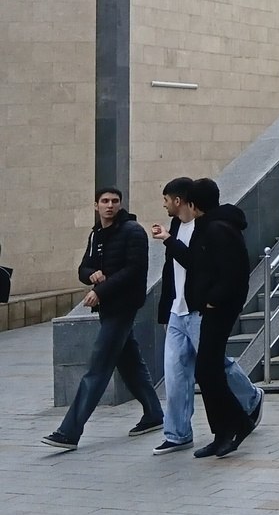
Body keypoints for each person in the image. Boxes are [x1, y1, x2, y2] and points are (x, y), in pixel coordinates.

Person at [43, 188, 163, 450]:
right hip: (108, 308)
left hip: (123, 307)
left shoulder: (133, 231)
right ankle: (154, 414)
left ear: (121, 204)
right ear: (95, 205)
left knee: (97, 369)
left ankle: (69, 432)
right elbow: (83, 269)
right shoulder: (96, 233)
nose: (110, 205)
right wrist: (91, 275)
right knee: (130, 364)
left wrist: (100, 290)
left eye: (115, 201)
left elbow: (134, 271)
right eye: (105, 201)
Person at [153, 177, 263, 455]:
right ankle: (220, 432)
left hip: (213, 310)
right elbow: (194, 264)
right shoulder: (205, 226)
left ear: (191, 203)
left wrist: (213, 300)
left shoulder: (217, 228)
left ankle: (239, 420)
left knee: (211, 370)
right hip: (196, 308)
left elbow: (234, 272)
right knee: (204, 371)